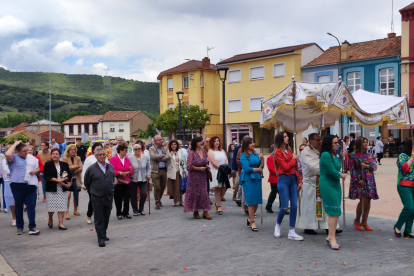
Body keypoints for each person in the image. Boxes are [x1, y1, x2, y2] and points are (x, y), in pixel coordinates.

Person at [296, 133, 340, 235]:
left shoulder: (322, 151)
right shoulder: (305, 152)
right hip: (310, 183)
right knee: (310, 208)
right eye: (317, 140)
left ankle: (328, 227)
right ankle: (308, 227)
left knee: (324, 207)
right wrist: (326, 166)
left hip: (321, 182)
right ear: (311, 141)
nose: (320, 142)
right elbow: (312, 167)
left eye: (320, 140)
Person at [6, 140, 41, 235]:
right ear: (17, 151)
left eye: (27, 150)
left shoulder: (31, 158)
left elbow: (39, 167)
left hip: (30, 184)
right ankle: (20, 226)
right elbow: (8, 154)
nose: (26, 153)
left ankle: (32, 227)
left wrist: (36, 171)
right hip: (17, 185)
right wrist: (16, 144)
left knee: (31, 206)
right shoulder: (14, 158)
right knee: (19, 206)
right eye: (24, 151)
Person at [319, 135, 348, 250]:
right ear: (329, 144)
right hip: (327, 184)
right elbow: (332, 171)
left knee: (335, 210)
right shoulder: (325, 155)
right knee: (333, 211)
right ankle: (332, 238)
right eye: (335, 143)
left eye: (337, 143)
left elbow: (336, 167)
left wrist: (340, 158)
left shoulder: (334, 155)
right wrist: (341, 175)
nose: (337, 145)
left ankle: (330, 235)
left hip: (335, 184)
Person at [273, 132, 303, 241]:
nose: (287, 138)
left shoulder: (289, 150)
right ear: (281, 139)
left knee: (294, 206)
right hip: (283, 180)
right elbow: (285, 167)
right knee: (285, 207)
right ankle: (278, 225)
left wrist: (299, 180)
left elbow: (295, 169)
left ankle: (291, 230)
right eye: (285, 136)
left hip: (292, 179)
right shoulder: (278, 152)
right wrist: (294, 159)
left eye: (287, 136)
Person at [84, 148, 115, 247]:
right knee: (99, 218)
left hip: (108, 196)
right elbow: (87, 182)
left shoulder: (110, 167)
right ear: (96, 156)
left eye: (103, 154)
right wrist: (93, 191)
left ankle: (103, 233)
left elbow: (112, 179)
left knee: (106, 216)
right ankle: (101, 239)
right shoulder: (92, 168)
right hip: (97, 197)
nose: (102, 156)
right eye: (100, 155)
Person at [348, 137, 378, 232]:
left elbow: (374, 166)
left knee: (368, 200)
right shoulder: (353, 155)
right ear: (359, 144)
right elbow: (352, 169)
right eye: (363, 142)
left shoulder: (369, 155)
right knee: (363, 200)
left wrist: (367, 166)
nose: (366, 144)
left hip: (369, 180)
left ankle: (364, 221)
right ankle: (357, 220)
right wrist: (357, 180)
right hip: (360, 180)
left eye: (366, 142)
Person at [183, 137, 212, 219]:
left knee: (204, 193)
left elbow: (205, 162)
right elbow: (189, 166)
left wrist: (206, 166)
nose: (201, 143)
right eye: (199, 141)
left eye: (201, 141)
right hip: (194, 177)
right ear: (195, 143)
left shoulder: (204, 152)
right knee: (196, 194)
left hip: (203, 176)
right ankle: (196, 211)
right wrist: (199, 168)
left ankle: (205, 211)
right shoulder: (191, 153)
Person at [239, 137, 264, 231]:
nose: (253, 144)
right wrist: (258, 169)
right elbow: (246, 168)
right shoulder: (243, 155)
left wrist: (262, 159)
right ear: (246, 145)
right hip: (248, 179)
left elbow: (261, 166)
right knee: (250, 201)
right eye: (250, 143)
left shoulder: (255, 154)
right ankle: (253, 221)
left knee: (257, 201)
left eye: (253, 142)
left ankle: (250, 218)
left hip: (257, 178)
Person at [44, 148, 72, 230]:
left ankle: (60, 223)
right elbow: (46, 175)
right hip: (52, 188)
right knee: (51, 206)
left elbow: (69, 174)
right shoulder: (48, 164)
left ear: (59, 155)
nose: (55, 155)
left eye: (56, 154)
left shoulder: (64, 164)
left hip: (62, 188)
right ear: (51, 155)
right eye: (53, 154)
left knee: (62, 206)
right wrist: (56, 180)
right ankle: (50, 219)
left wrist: (63, 180)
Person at [82, 143, 107, 224]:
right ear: (93, 149)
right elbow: (85, 171)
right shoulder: (89, 159)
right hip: (92, 184)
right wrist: (84, 184)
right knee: (93, 200)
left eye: (100, 148)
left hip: (103, 184)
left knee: (103, 200)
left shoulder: (105, 158)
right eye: (97, 148)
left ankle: (101, 216)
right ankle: (89, 214)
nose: (98, 149)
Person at [395, 138, 414, 238]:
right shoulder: (402, 156)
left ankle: (408, 229)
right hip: (404, 185)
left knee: (413, 209)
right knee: (409, 207)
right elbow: (404, 168)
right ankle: (397, 226)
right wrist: (412, 158)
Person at [110, 143, 133, 219]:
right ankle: (119, 213)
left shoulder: (127, 159)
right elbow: (112, 170)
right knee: (118, 198)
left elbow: (131, 169)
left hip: (126, 181)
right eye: (125, 150)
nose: (126, 152)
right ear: (120, 151)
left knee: (127, 197)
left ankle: (126, 212)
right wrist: (120, 173)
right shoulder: (114, 159)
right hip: (118, 181)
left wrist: (128, 172)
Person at [208, 136, 228, 215]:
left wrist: (226, 166)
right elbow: (212, 162)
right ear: (212, 142)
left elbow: (226, 159)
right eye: (215, 141)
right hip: (215, 171)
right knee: (218, 188)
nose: (217, 142)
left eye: (218, 141)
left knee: (225, 187)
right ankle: (219, 206)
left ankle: (217, 203)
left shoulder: (222, 150)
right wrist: (220, 168)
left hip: (223, 171)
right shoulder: (210, 151)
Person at [149, 135, 170, 210]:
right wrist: (162, 156)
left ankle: (159, 199)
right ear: (155, 141)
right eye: (160, 139)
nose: (162, 141)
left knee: (162, 186)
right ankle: (157, 202)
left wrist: (158, 157)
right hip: (155, 170)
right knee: (157, 186)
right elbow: (153, 157)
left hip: (163, 169)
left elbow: (168, 157)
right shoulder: (151, 148)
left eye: (162, 139)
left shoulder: (165, 148)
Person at [62, 144, 83, 220]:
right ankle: (66, 212)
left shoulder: (78, 158)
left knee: (76, 195)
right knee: (68, 196)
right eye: (71, 149)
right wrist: (75, 166)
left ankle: (75, 210)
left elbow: (81, 168)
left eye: (74, 149)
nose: (73, 151)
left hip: (76, 179)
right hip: (68, 179)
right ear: (68, 150)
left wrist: (73, 169)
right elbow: (65, 168)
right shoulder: (64, 158)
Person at [129, 144, 151, 216]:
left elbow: (148, 167)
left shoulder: (145, 157)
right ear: (133, 150)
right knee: (133, 195)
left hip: (143, 179)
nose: (137, 150)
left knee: (144, 193)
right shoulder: (130, 158)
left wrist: (148, 174)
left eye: (139, 149)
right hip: (133, 179)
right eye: (136, 149)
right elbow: (127, 167)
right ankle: (135, 210)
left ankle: (141, 209)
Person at [167, 140, 184, 206]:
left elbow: (183, 160)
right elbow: (167, 162)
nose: (174, 146)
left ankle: (181, 200)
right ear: (170, 146)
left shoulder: (180, 152)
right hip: (172, 171)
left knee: (180, 186)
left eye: (175, 144)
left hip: (179, 170)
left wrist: (181, 162)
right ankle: (175, 200)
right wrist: (169, 156)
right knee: (174, 186)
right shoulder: (168, 152)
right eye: (172, 144)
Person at [1, 149, 16, 226]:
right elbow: (7, 171)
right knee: (11, 200)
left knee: (18, 200)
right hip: (8, 181)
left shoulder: (18, 159)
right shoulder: (4, 161)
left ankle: (18, 217)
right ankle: (14, 217)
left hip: (18, 181)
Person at [265, 146, 278, 213]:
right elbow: (271, 169)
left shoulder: (279, 157)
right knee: (273, 193)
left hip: (280, 177)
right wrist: (279, 171)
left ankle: (283, 207)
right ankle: (268, 206)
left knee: (282, 193)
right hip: (274, 178)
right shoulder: (269, 158)